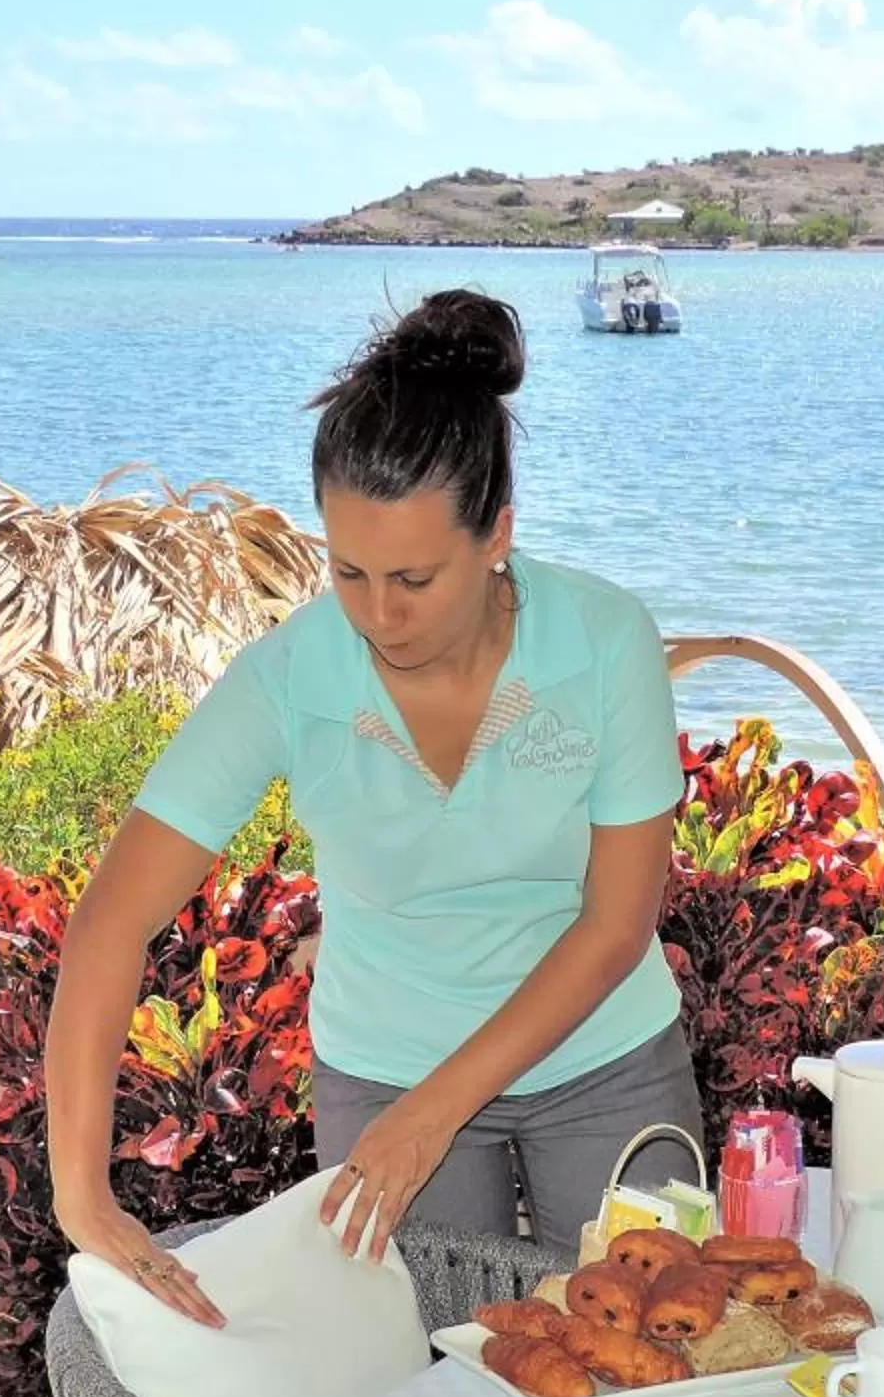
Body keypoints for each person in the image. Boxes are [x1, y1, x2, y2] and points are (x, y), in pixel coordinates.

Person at [47, 289, 698, 1324]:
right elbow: (112, 921)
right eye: (348, 571)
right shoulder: (291, 677)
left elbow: (617, 924)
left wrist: (437, 1113)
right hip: (387, 1071)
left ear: (498, 536)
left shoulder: (605, 641)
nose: (380, 614)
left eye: (414, 578)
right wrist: (81, 1194)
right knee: (417, 1387)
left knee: (654, 1364)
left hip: (604, 1062)